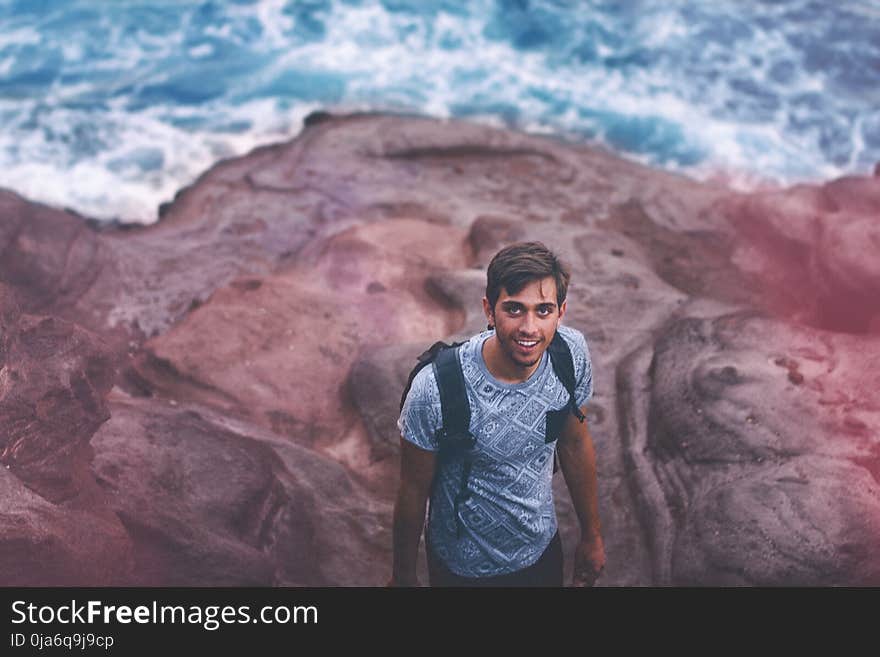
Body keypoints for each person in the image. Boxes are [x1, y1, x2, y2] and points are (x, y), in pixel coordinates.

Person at [389, 241, 605, 587]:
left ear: (561, 312)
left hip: (541, 550)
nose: (529, 329)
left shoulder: (570, 354)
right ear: (489, 311)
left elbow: (575, 443)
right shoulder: (436, 389)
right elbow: (413, 489)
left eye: (544, 310)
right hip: (460, 569)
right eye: (514, 309)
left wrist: (592, 536)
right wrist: (403, 578)